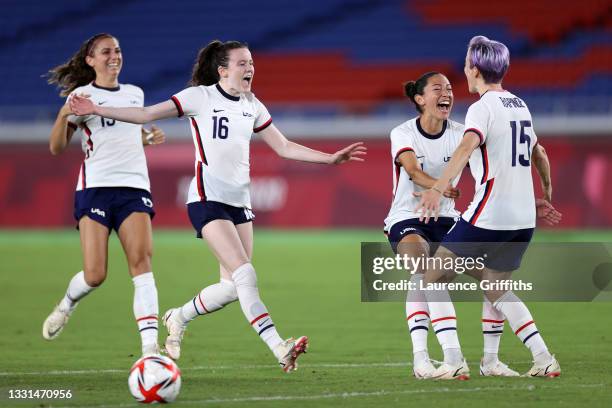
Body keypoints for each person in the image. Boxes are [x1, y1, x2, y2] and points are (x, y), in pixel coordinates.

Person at [69, 40, 366, 372]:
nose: (249, 68)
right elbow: (145, 113)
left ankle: (178, 317)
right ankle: (279, 346)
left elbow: (283, 146)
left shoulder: (252, 104)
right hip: (207, 201)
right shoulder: (200, 97)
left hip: (240, 204)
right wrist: (97, 109)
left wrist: (330, 158)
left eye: (251, 62)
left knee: (230, 288)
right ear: (223, 70)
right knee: (246, 275)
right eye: (242, 63)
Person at [415, 35, 562, 379]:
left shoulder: (482, 108)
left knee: (432, 275)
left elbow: (467, 147)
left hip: (490, 214)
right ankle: (531, 358)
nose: (464, 71)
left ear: (476, 69)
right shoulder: (519, 105)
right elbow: (539, 153)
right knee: (496, 285)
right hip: (523, 219)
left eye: (466, 65)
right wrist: (547, 191)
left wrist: (437, 187)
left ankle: (452, 360)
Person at [384, 72, 521, 379]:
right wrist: (440, 186)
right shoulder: (403, 133)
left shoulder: (462, 134)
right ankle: (426, 358)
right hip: (407, 217)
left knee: (492, 275)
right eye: (438, 89)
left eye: (449, 88)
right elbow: (413, 172)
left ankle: (491, 360)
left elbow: (489, 170)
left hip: (449, 220)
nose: (446, 93)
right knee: (421, 267)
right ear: (421, 99)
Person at [42, 33, 166, 357]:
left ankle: (150, 349)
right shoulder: (81, 96)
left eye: (118, 50)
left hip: (134, 187)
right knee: (95, 274)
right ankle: (67, 303)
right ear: (90, 60)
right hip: (95, 188)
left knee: (142, 262)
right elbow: (56, 148)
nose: (114, 56)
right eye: (106, 52)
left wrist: (147, 139)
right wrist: (64, 113)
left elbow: (124, 133)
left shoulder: (134, 93)